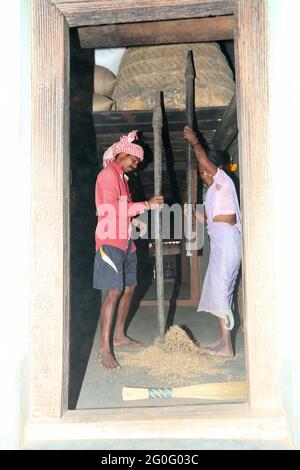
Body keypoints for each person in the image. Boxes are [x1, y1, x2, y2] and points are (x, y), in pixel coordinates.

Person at [94, 130, 164, 369]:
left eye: (138, 162)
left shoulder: (123, 179)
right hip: (110, 241)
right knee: (113, 292)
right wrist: (145, 205)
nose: (136, 164)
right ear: (122, 154)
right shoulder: (107, 175)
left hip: (126, 242)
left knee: (129, 288)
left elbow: (122, 209)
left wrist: (134, 221)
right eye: (134, 160)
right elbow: (110, 207)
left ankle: (119, 335)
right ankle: (105, 348)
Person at [184, 125, 241, 356]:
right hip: (219, 243)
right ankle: (223, 342)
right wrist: (192, 213)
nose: (204, 175)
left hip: (228, 241)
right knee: (218, 290)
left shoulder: (224, 182)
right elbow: (209, 220)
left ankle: (226, 346)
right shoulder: (211, 193)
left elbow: (202, 158)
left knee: (220, 290)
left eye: (206, 171)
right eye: (201, 173)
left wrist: (193, 140)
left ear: (217, 169)